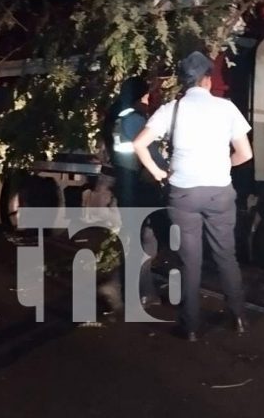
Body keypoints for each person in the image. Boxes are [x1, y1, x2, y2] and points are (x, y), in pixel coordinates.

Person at [133, 51, 254, 341]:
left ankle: (190, 327)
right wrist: (226, 164)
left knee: (190, 261)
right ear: (208, 80)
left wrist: (159, 172)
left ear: (185, 83)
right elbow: (245, 154)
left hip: (183, 194)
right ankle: (237, 316)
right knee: (226, 255)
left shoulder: (171, 111)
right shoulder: (226, 109)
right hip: (219, 193)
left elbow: (139, 144)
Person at [104, 76, 169, 306]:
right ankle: (136, 290)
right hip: (141, 187)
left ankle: (136, 288)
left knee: (142, 238)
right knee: (151, 239)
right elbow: (150, 152)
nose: (149, 98)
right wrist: (167, 170)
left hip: (127, 185)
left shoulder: (117, 117)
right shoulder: (134, 120)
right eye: (146, 94)